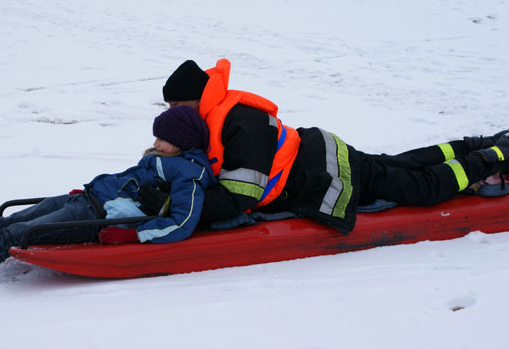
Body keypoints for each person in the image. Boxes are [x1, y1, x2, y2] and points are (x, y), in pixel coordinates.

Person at [141, 58, 509, 237]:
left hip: (324, 174)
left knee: (421, 188)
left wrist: (181, 210)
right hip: (320, 156)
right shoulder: (218, 113)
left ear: (194, 99)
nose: (172, 115)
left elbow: (241, 195)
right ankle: (478, 144)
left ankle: (496, 155)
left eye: (175, 107)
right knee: (399, 165)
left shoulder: (237, 121)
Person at [0, 106, 217, 300]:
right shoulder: (164, 157)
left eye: (162, 138)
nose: (155, 142)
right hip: (86, 199)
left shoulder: (190, 174)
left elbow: (181, 222)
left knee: (16, 236)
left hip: (97, 216)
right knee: (4, 225)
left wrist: (134, 234)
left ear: (183, 141)